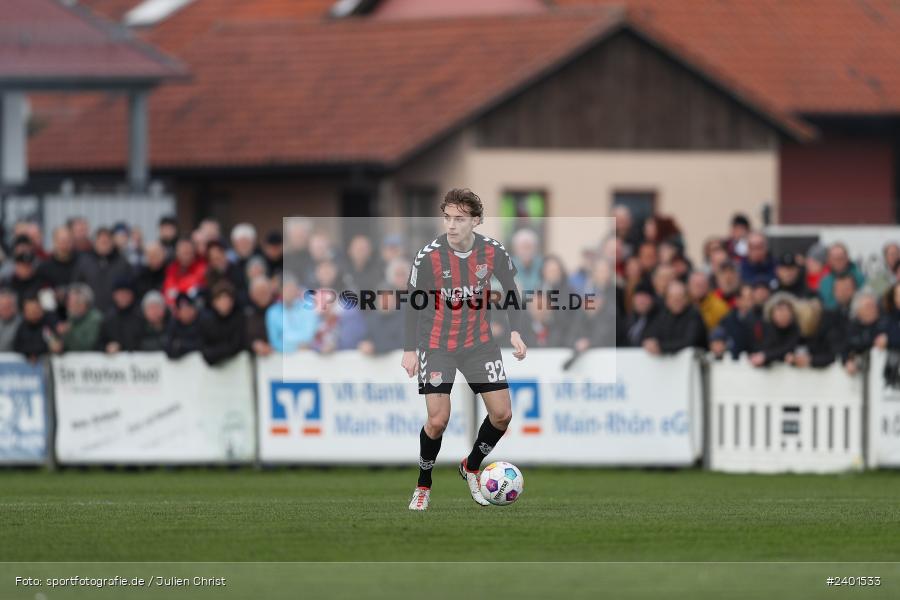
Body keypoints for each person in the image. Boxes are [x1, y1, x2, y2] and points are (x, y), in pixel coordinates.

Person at [401, 188, 527, 511]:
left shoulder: (493, 252)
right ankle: (423, 485)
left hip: (479, 343)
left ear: (476, 221)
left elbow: (511, 291)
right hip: (437, 344)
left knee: (502, 415)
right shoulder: (428, 256)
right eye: (447, 218)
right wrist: (409, 349)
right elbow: (413, 304)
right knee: (438, 420)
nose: (452, 225)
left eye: (459, 219)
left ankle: (471, 465)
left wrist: (516, 330)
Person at [72, 227, 133, 314]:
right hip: (90, 314)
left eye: (106, 242)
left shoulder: (123, 264)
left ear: (112, 243)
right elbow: (76, 288)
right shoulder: (84, 263)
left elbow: (130, 290)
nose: (104, 245)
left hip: (116, 314)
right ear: (95, 243)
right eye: (101, 242)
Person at [641, 280, 707, 355]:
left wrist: (661, 347)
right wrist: (650, 343)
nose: (676, 301)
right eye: (673, 297)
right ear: (667, 300)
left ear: (686, 298)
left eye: (680, 297)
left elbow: (689, 342)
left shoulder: (694, 315)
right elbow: (650, 334)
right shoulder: (663, 316)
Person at [266, 275, 318, 353]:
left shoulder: (308, 310)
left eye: (292, 288)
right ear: (280, 291)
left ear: (297, 290)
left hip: (305, 355)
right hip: (282, 356)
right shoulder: (272, 312)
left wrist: (287, 340)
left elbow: (309, 335)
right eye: (286, 289)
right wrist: (293, 348)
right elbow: (275, 341)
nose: (289, 292)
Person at [199, 281, 247, 366]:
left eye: (227, 299)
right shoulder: (206, 321)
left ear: (232, 301)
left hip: (237, 368)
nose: (224, 302)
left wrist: (216, 352)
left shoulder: (239, 318)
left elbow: (236, 345)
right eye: (220, 299)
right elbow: (204, 349)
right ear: (214, 302)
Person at [749, 293, 802, 367]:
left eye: (786, 311)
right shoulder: (767, 327)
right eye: (779, 311)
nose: (783, 315)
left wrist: (765, 356)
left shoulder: (796, 329)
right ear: (772, 314)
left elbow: (788, 348)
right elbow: (764, 348)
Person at [98, 277, 143, 353]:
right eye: (120, 293)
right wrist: (107, 347)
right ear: (114, 295)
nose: (123, 297)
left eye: (126, 293)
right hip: (113, 362)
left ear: (132, 295)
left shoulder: (141, 316)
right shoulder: (108, 318)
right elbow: (99, 343)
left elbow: (145, 341)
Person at [818, 243, 865, 309]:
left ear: (847, 258)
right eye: (834, 258)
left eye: (841, 257)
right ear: (829, 260)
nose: (838, 261)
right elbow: (825, 303)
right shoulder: (825, 282)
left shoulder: (860, 277)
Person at [58, 283, 103, 352]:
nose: (68, 304)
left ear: (82, 303)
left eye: (70, 301)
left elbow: (87, 346)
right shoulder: (71, 317)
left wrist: (69, 332)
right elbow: (66, 346)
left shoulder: (95, 319)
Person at [162, 237, 207, 306]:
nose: (186, 257)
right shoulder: (171, 270)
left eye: (189, 253)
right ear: (177, 253)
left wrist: (179, 291)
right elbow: (169, 293)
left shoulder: (202, 268)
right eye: (183, 253)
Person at [14, 294, 59, 360]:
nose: (34, 312)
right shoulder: (22, 327)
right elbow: (17, 346)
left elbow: (53, 344)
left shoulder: (49, 324)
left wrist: (36, 352)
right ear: (25, 312)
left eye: (36, 309)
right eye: (30, 310)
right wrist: (30, 353)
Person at [165, 293, 202, 359]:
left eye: (189, 307)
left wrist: (181, 346)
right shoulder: (173, 325)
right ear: (177, 312)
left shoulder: (202, 321)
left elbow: (203, 345)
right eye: (183, 309)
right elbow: (169, 349)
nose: (186, 312)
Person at [245, 276, 274, 356]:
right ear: (252, 295)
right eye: (259, 292)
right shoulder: (247, 315)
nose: (262, 295)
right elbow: (242, 338)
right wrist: (254, 345)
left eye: (265, 291)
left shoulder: (280, 311)